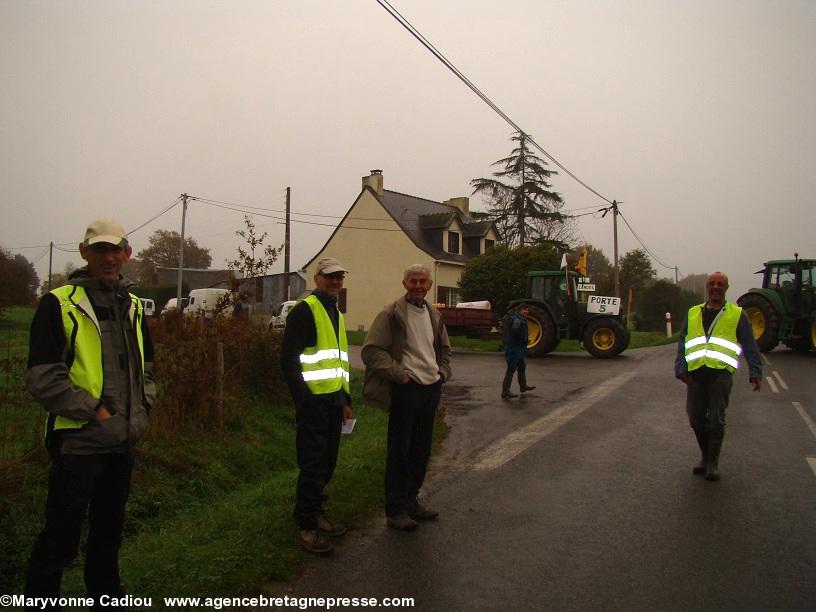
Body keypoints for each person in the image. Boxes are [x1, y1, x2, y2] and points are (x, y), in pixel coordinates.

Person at [24, 219, 156, 609]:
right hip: (78, 443)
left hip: (122, 442)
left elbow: (147, 369)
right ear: (84, 253)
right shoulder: (58, 303)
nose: (109, 258)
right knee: (60, 539)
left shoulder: (131, 305)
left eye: (116, 250)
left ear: (127, 253)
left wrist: (144, 409)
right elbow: (44, 378)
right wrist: (95, 412)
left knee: (108, 535)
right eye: (100, 250)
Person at [362, 264, 452, 531]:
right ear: (404, 284)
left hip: (430, 388)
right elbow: (371, 351)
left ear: (429, 285)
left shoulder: (434, 315)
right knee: (399, 451)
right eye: (413, 281)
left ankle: (411, 500)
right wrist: (399, 374)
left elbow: (445, 351)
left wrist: (442, 374)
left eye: (423, 281)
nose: (418, 286)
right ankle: (395, 509)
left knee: (421, 449)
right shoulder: (390, 314)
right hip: (406, 388)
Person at [280, 257, 352, 554]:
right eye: (329, 277)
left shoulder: (335, 311)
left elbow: (341, 361)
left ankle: (317, 514)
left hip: (334, 400)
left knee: (327, 462)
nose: (335, 282)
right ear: (316, 278)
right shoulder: (305, 310)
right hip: (313, 402)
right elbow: (289, 360)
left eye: (339, 277)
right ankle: (307, 526)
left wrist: (346, 400)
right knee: (312, 464)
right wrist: (304, 400)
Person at [674, 271, 762, 481]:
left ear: (726, 288)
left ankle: (712, 463)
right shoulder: (693, 312)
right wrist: (680, 367)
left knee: (715, 420)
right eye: (712, 283)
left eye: (720, 284)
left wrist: (755, 371)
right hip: (695, 373)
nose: (715, 287)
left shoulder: (736, 313)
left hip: (720, 373)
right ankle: (705, 456)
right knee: (695, 419)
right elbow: (683, 340)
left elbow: (749, 344)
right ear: (707, 287)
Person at [501, 306, 536, 399]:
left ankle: (523, 386)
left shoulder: (521, 319)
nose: (526, 312)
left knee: (522, 367)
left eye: (527, 310)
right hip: (513, 349)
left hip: (520, 349)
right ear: (520, 311)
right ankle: (505, 391)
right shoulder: (516, 320)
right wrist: (522, 339)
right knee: (511, 370)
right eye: (524, 310)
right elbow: (515, 332)